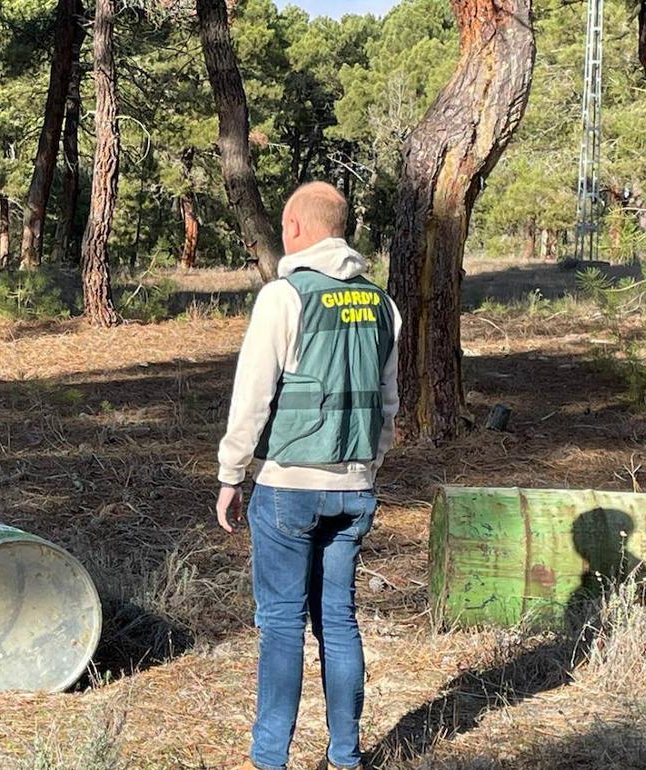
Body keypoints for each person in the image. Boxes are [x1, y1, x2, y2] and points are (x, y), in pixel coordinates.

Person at [215, 182, 401, 770]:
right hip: (354, 489)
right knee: (339, 623)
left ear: (295, 227)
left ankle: (270, 758)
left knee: (281, 626)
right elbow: (388, 405)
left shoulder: (282, 296)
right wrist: (367, 468)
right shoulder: (382, 304)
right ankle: (345, 757)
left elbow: (252, 397)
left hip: (287, 487)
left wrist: (231, 472)